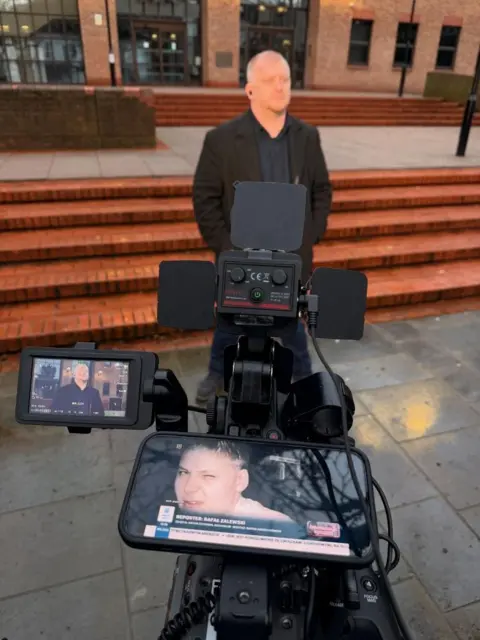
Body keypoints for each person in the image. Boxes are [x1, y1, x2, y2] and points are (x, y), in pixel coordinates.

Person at [193, 50, 332, 403]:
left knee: (292, 326)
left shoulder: (307, 136)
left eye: (285, 79)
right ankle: (217, 374)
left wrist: (309, 235)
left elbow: (321, 190)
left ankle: (303, 383)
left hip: (291, 258)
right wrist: (226, 248)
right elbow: (205, 199)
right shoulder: (221, 140)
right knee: (229, 322)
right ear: (250, 89)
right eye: (272, 80)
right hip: (240, 256)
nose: (281, 86)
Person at [174, 440, 293, 521]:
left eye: (208, 476)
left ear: (240, 481)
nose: (188, 488)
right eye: (183, 473)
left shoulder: (276, 527)